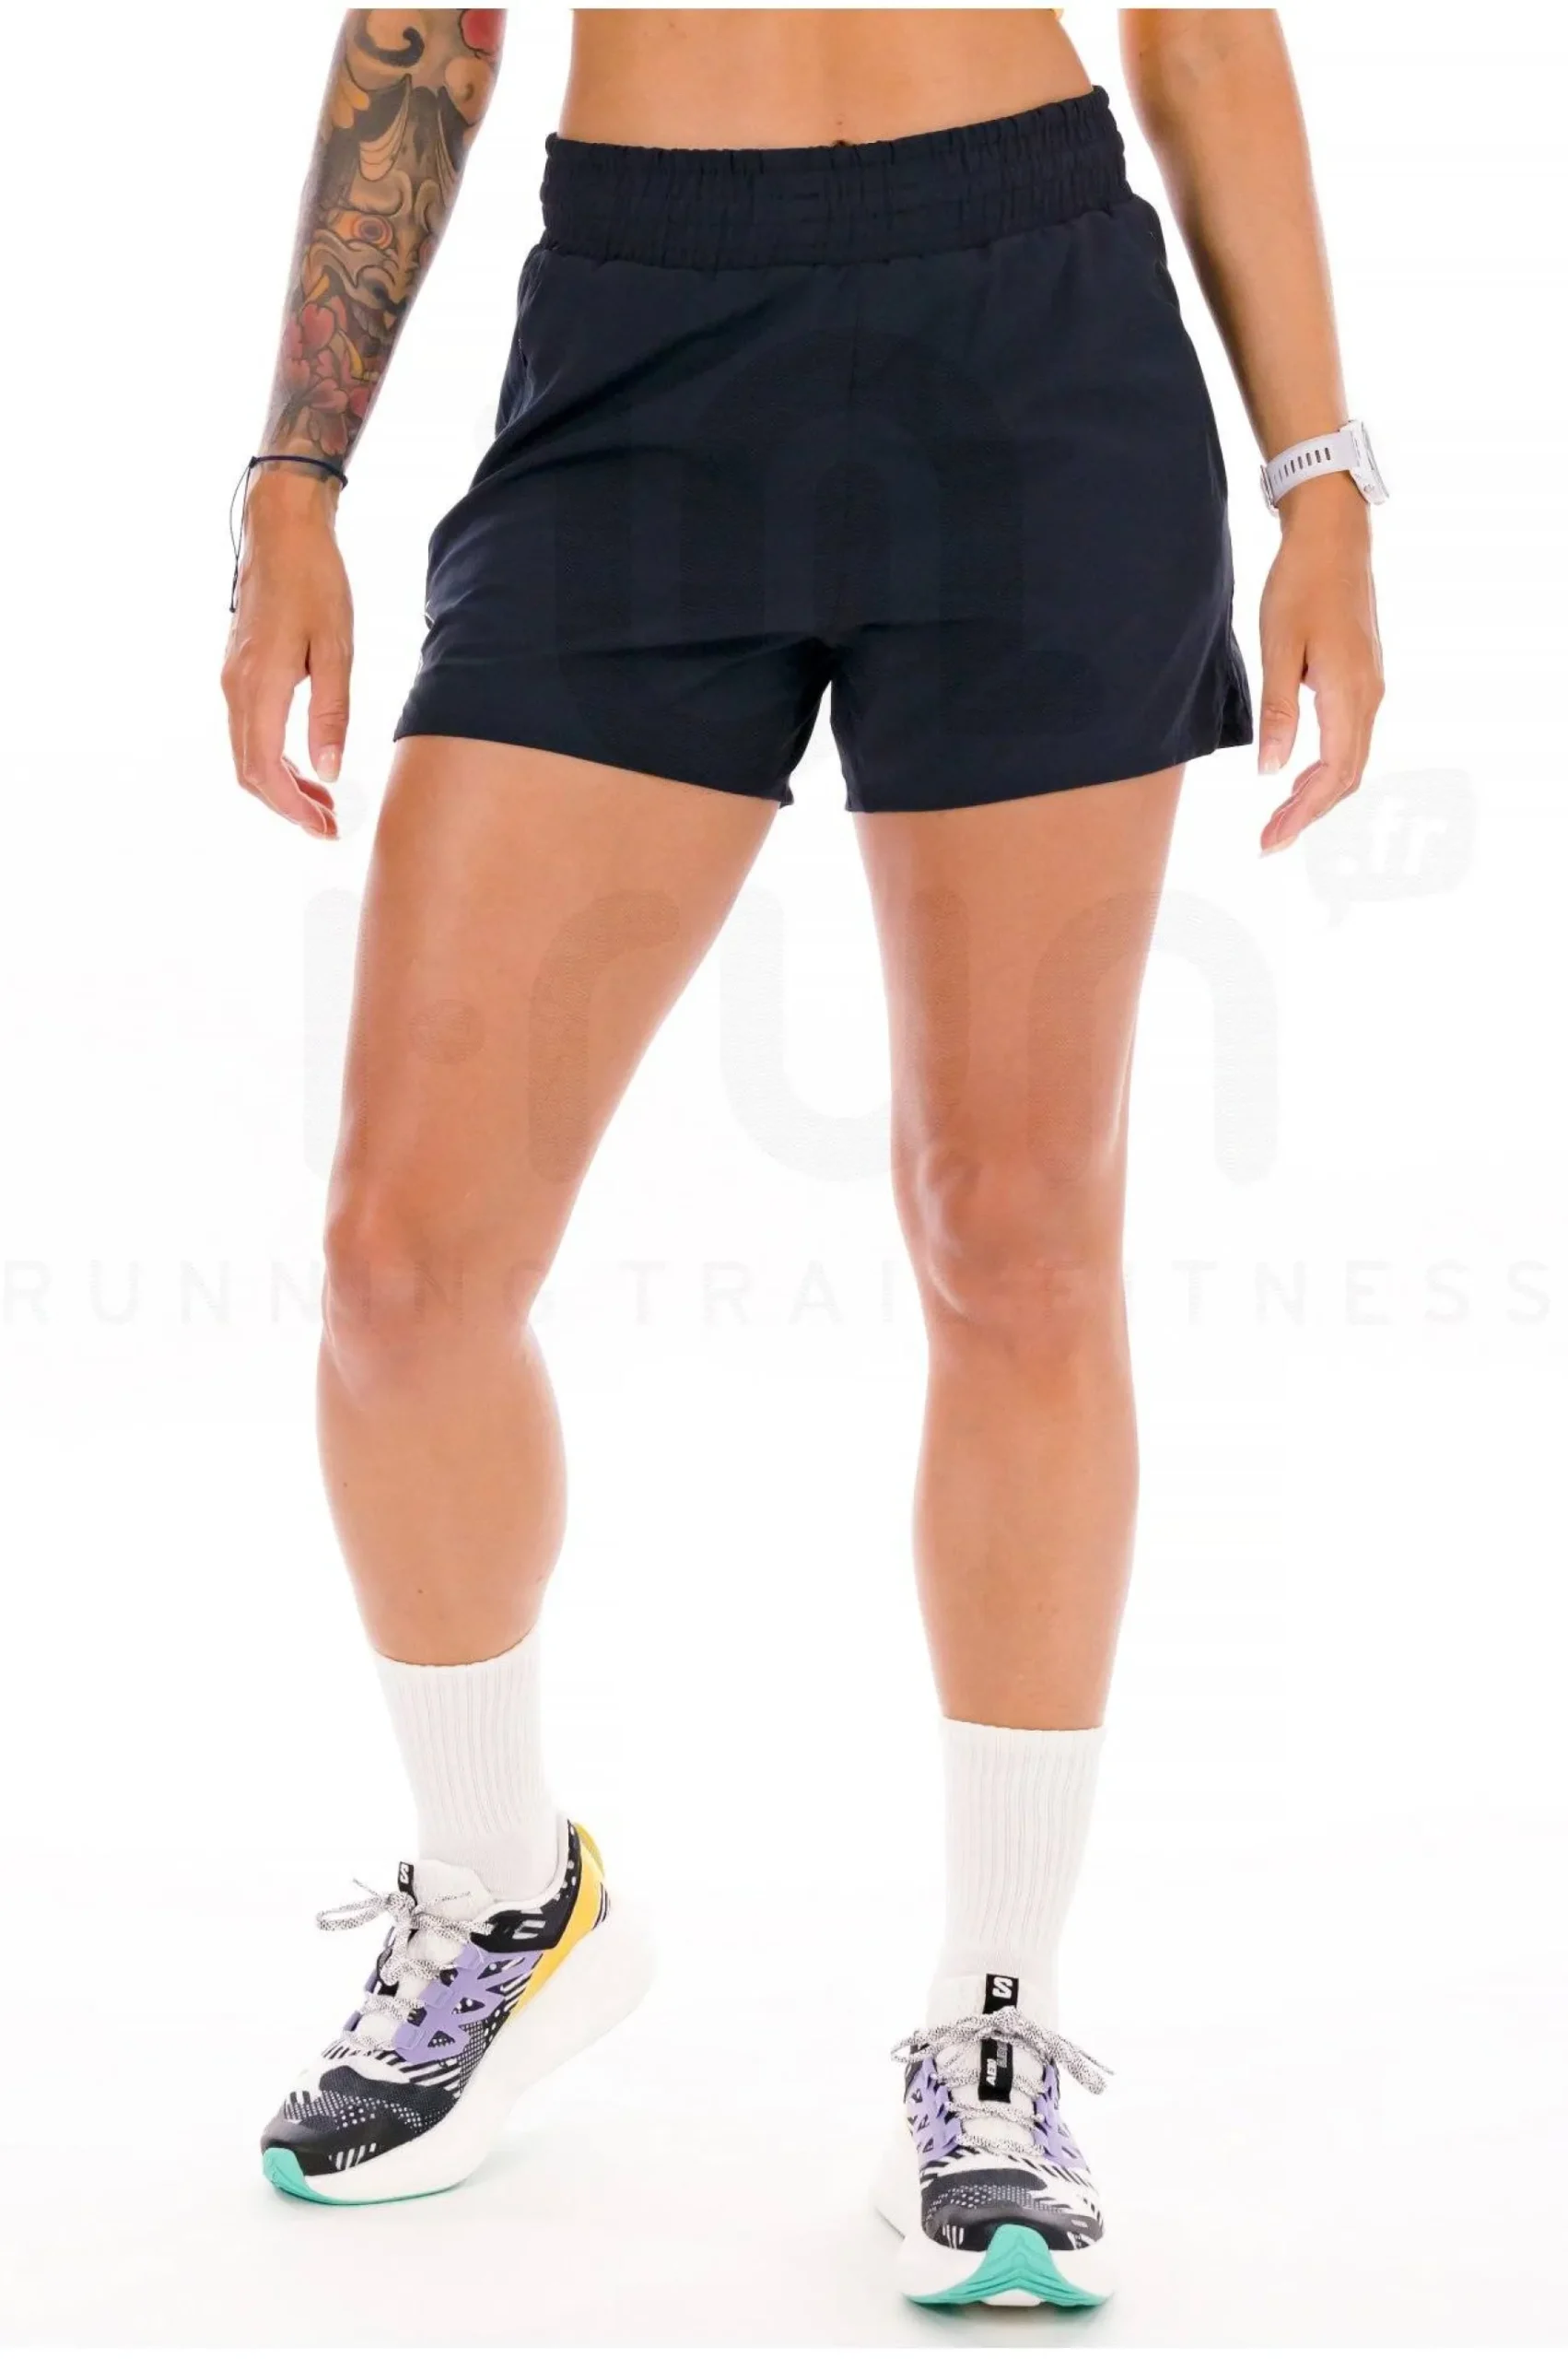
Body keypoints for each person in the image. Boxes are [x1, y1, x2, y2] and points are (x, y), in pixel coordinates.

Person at [222, 6, 1383, 2309]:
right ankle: (504, 1891)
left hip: (1033, 348)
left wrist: (1318, 475)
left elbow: (1196, 26)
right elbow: (422, 24)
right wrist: (293, 469)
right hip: (641, 348)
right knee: (401, 1261)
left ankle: (991, 2023)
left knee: (1014, 1236)